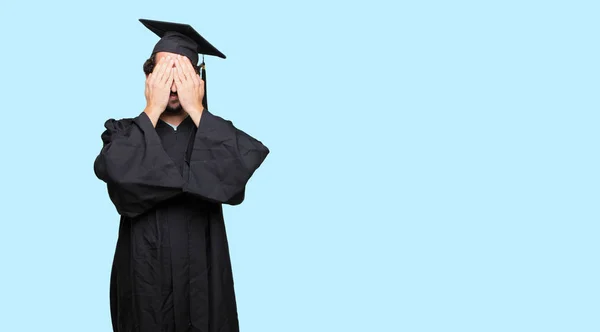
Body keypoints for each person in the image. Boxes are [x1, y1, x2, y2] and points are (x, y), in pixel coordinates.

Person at [93, 19, 269, 332]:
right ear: (149, 77)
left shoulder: (213, 133)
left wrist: (198, 109)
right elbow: (115, 173)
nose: (173, 84)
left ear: (198, 79)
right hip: (143, 275)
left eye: (182, 74)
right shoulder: (126, 133)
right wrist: (152, 108)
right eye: (163, 74)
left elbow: (241, 169)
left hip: (203, 274)